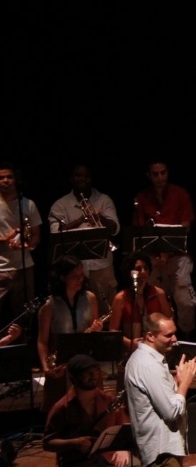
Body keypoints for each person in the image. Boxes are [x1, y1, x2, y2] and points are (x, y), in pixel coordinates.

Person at [42, 354, 144, 467]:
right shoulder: (62, 407)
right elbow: (47, 443)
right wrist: (74, 443)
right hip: (78, 464)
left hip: (107, 458)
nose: (93, 376)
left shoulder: (107, 399)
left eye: (96, 371)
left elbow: (123, 425)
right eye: (86, 373)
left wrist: (122, 448)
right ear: (73, 378)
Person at [124, 313, 196, 467]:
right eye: (168, 335)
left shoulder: (151, 360)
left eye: (174, 333)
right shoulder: (148, 365)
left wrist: (177, 380)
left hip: (165, 448)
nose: (174, 339)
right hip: (162, 452)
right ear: (150, 336)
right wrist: (185, 384)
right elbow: (171, 412)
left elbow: (163, 397)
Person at [132, 159, 196, 336]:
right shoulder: (142, 198)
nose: (160, 177)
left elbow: (185, 226)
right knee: (154, 301)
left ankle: (187, 335)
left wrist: (167, 252)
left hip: (177, 255)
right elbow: (139, 232)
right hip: (152, 259)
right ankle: (158, 337)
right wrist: (155, 256)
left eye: (163, 173)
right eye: (155, 174)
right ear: (149, 175)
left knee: (185, 300)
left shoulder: (180, 194)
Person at [48, 164, 120, 315]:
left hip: (101, 266)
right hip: (72, 269)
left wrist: (99, 216)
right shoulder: (60, 205)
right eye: (78, 176)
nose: (83, 179)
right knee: (79, 312)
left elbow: (115, 229)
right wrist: (82, 219)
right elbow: (55, 233)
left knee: (107, 311)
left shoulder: (104, 200)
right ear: (71, 179)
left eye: (86, 176)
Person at [36, 256, 104, 413]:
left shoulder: (90, 298)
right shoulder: (49, 306)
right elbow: (42, 341)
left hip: (86, 361)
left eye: (81, 275)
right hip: (61, 365)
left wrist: (97, 329)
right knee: (62, 411)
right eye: (74, 276)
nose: (80, 280)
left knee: (92, 409)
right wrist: (46, 367)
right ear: (62, 277)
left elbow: (95, 331)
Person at [108, 252, 173, 356]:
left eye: (146, 268)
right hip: (131, 351)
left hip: (157, 349)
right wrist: (130, 343)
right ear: (130, 272)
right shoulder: (121, 298)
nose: (143, 272)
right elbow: (113, 331)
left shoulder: (159, 293)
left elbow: (169, 321)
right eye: (138, 269)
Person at [0, 163, 42, 322]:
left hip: (24, 267)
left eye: (9, 177)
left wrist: (27, 245)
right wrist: (6, 239)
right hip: (1, 268)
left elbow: (36, 235)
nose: (5, 180)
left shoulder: (28, 204)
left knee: (24, 315)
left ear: (16, 180)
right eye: (1, 178)